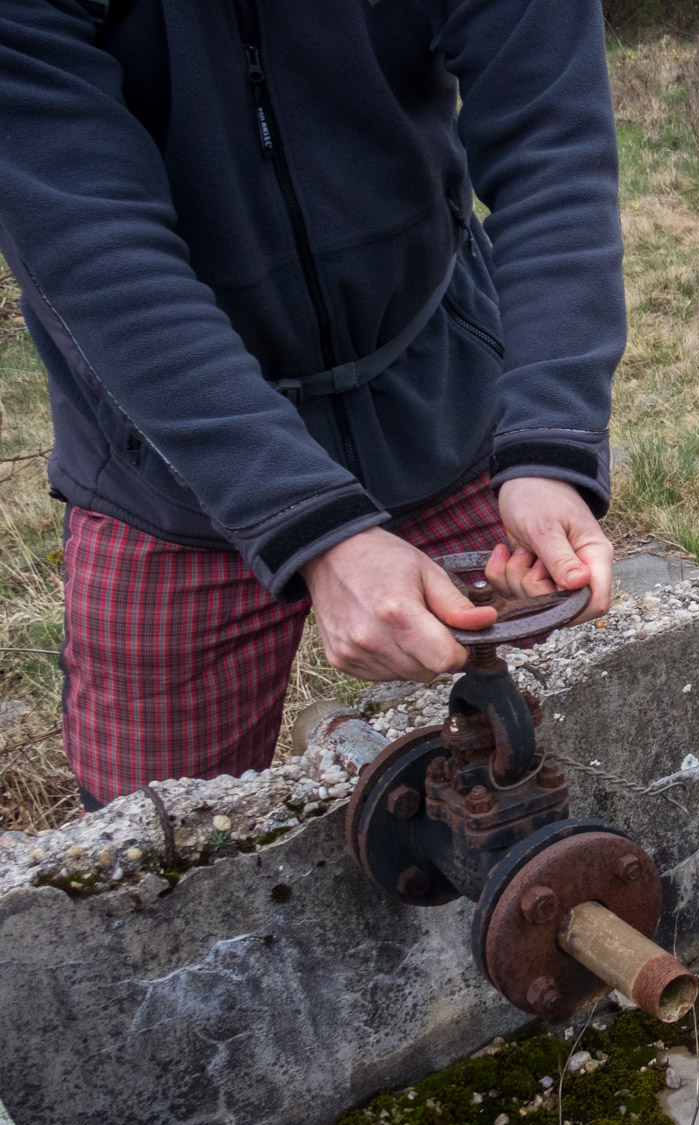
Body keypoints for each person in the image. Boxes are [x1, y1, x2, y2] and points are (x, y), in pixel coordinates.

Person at [0, 0, 625, 808]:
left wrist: (548, 441)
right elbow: (91, 247)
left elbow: (553, 143)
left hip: (444, 411)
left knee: (553, 776)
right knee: (153, 861)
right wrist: (310, 523)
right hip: (167, 468)